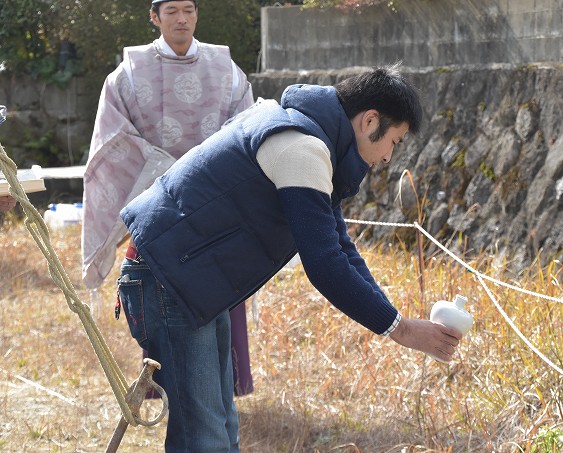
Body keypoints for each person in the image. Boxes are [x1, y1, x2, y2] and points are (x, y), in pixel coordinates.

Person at [117, 65, 462, 452]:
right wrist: (401, 330)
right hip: (168, 275)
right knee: (204, 435)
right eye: (394, 143)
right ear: (369, 121)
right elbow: (325, 264)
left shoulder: (308, 133)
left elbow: (339, 247)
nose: (387, 158)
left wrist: (395, 318)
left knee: (220, 424)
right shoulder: (303, 148)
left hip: (189, 275)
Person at [81, 0, 255, 396]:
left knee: (222, 289)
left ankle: (222, 389)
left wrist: (205, 171)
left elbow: (245, 127)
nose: (182, 19)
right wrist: (169, 175)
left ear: (197, 15)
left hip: (215, 203)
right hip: (156, 204)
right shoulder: (128, 72)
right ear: (154, 17)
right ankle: (164, 385)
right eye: (172, 11)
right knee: (160, 295)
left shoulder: (225, 69)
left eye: (189, 10)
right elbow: (113, 141)